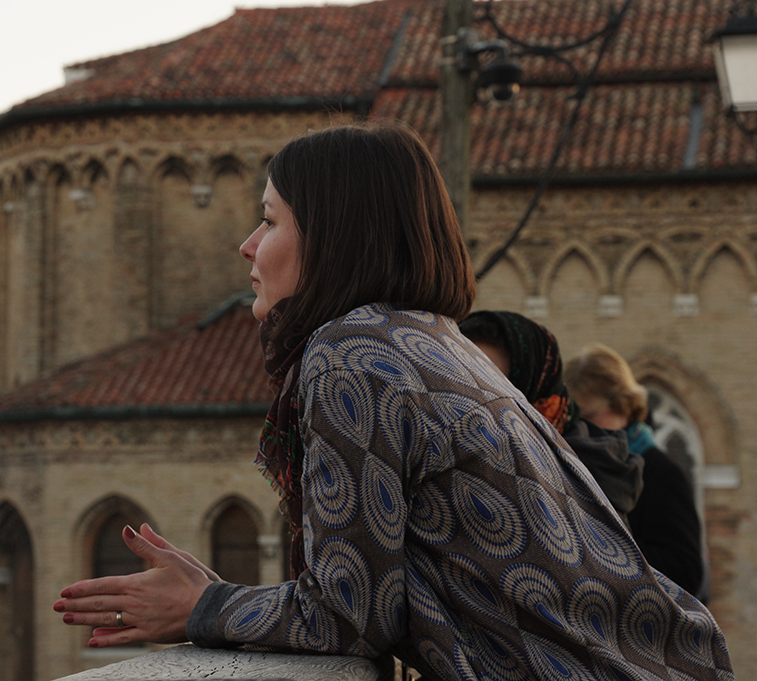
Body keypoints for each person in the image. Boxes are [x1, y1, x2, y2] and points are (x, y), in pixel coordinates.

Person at [53, 123, 733, 679]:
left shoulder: (351, 356)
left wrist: (206, 605)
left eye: (269, 220)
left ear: (332, 239)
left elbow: (348, 615)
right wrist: (225, 596)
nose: (248, 245)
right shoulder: (432, 341)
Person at [457, 311, 644, 528]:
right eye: (466, 381)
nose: (479, 403)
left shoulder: (592, 472)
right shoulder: (438, 451)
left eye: (497, 389)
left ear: (535, 391)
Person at [564, 343, 707, 599]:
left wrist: (605, 546)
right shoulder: (572, 464)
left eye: (589, 417)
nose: (581, 429)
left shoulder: (659, 472)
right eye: (573, 421)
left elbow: (686, 571)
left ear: (623, 406)